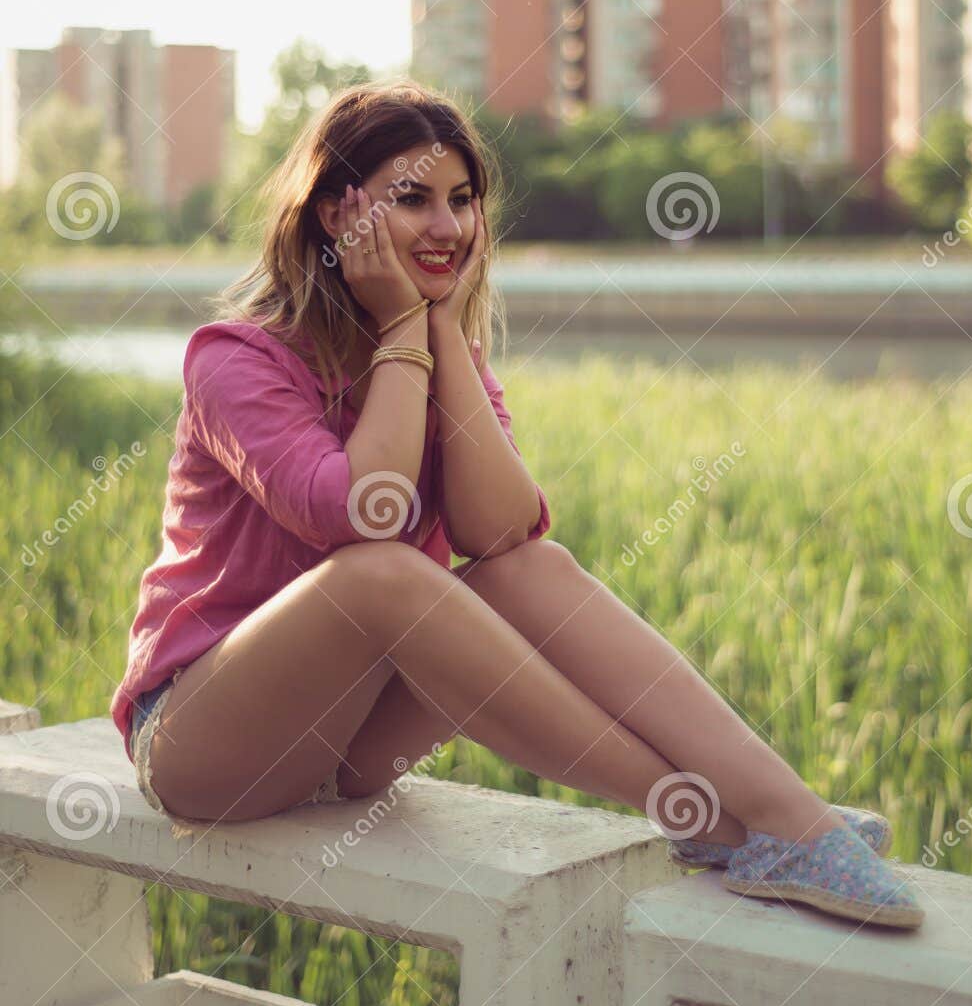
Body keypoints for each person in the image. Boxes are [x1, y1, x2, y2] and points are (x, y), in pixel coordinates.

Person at [111, 81, 922, 930]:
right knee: (381, 573)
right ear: (334, 215)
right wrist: (401, 332)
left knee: (530, 568)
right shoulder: (236, 360)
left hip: (349, 747)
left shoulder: (436, 351)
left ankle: (785, 810)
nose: (448, 227)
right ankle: (709, 820)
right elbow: (364, 517)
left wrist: (444, 337)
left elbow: (501, 531)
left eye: (463, 202)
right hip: (203, 745)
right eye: (413, 199)